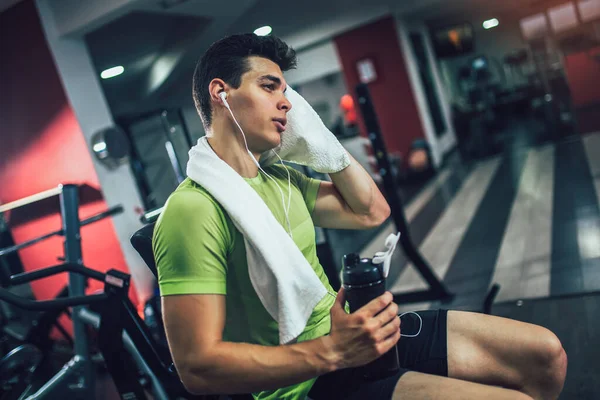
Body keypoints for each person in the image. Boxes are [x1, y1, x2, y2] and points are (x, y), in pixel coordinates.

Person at [152, 33, 567, 400]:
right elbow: (196, 367)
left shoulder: (280, 179)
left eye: (287, 92)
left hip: (351, 337)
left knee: (545, 355)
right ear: (220, 93)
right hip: (306, 382)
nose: (287, 103)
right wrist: (331, 352)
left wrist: (320, 144)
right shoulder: (194, 210)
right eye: (269, 86)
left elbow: (372, 212)